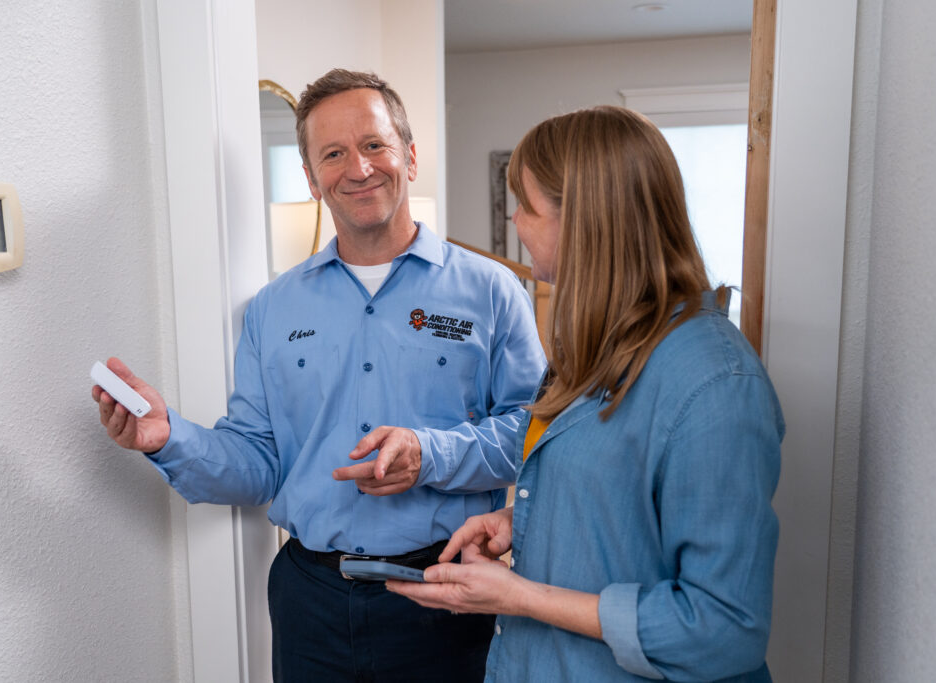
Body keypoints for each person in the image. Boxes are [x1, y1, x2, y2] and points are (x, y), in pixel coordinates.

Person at [92, 69, 545, 682]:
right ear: (311, 178)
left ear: (409, 157)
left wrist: (429, 454)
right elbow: (257, 463)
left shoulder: (492, 290)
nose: (357, 168)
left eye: (375, 145)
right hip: (310, 603)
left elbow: (533, 438)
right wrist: (168, 436)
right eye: (333, 154)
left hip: (444, 591)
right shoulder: (273, 308)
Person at [389, 106, 784, 682]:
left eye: (527, 206)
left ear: (584, 221)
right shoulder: (594, 351)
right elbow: (616, 505)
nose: (517, 223)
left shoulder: (714, 386)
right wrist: (520, 521)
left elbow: (722, 628)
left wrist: (518, 596)